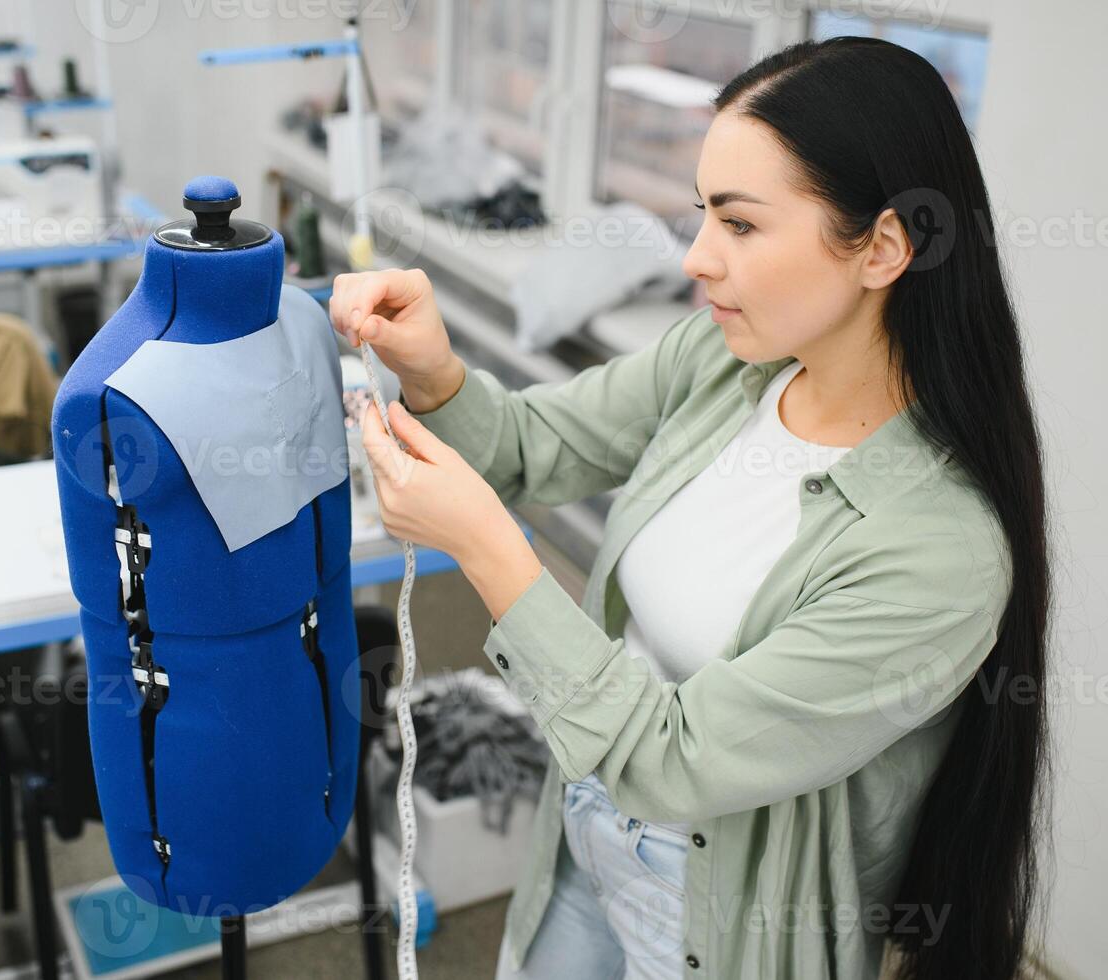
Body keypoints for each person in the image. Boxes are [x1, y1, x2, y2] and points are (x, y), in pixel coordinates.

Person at [328, 36, 1050, 980]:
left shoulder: (939, 552)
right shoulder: (725, 362)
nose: (698, 260)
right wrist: (430, 366)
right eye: (703, 214)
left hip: (726, 910)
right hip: (585, 816)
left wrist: (486, 548)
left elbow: (679, 760)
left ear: (881, 248)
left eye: (741, 226)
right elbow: (525, 449)